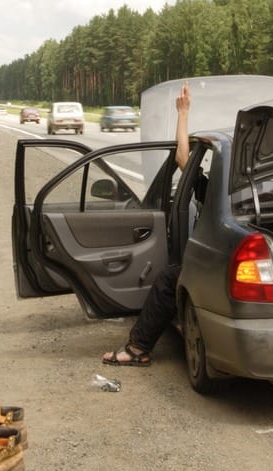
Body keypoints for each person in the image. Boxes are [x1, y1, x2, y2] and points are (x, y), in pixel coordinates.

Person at [101, 81, 198, 367]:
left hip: (221, 259)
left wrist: (182, 113)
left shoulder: (221, 186)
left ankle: (138, 348)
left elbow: (183, 159)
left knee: (170, 279)